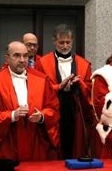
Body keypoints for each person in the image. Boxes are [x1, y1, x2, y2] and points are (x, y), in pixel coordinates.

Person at [0, 41, 60, 161]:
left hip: (35, 142)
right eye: (16, 55)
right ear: (7, 58)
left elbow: (53, 109)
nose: (22, 60)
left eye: (25, 56)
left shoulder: (42, 80)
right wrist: (11, 115)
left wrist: (42, 116)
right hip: (7, 145)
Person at [35, 24, 92, 159]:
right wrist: (58, 87)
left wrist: (80, 84)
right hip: (55, 108)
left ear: (72, 41)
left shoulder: (84, 64)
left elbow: (90, 89)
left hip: (76, 108)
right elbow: (37, 88)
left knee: (75, 143)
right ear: (54, 41)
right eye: (61, 42)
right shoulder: (42, 63)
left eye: (68, 42)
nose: (65, 46)